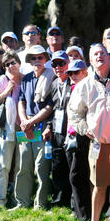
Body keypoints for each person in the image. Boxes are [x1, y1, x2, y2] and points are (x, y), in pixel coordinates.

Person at [67, 43, 110, 221]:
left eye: (103, 53)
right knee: (99, 184)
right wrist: (86, 129)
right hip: (99, 143)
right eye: (95, 55)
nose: (100, 56)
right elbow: (74, 113)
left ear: (109, 57)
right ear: (90, 61)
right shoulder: (84, 86)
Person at [11, 45, 53, 211]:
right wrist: (23, 121)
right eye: (33, 58)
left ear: (45, 59)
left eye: (40, 58)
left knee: (41, 169)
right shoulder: (27, 78)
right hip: (26, 128)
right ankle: (22, 202)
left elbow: (49, 107)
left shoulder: (52, 78)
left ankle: (40, 204)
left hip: (42, 128)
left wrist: (31, 122)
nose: (37, 61)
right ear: (29, 60)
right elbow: (21, 101)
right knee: (23, 167)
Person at [0, 50, 23, 206]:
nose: (10, 66)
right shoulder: (3, 80)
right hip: (6, 128)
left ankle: (18, 199)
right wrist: (7, 90)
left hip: (24, 128)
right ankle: (0, 200)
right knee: (4, 165)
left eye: (13, 62)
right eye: (7, 64)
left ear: (19, 63)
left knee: (20, 166)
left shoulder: (26, 80)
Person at [42, 51, 72, 208]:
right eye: (54, 64)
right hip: (57, 131)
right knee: (58, 167)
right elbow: (53, 109)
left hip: (72, 131)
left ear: (68, 64)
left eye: (62, 63)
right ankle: (59, 203)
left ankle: (75, 202)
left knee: (73, 169)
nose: (58, 67)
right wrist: (48, 127)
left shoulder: (74, 82)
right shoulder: (54, 84)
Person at [65, 59, 91, 221]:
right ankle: (81, 213)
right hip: (72, 137)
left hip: (87, 135)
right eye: (70, 73)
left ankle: (87, 215)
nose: (73, 75)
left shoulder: (90, 88)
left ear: (86, 72)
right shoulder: (71, 88)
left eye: (77, 72)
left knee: (79, 175)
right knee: (76, 175)